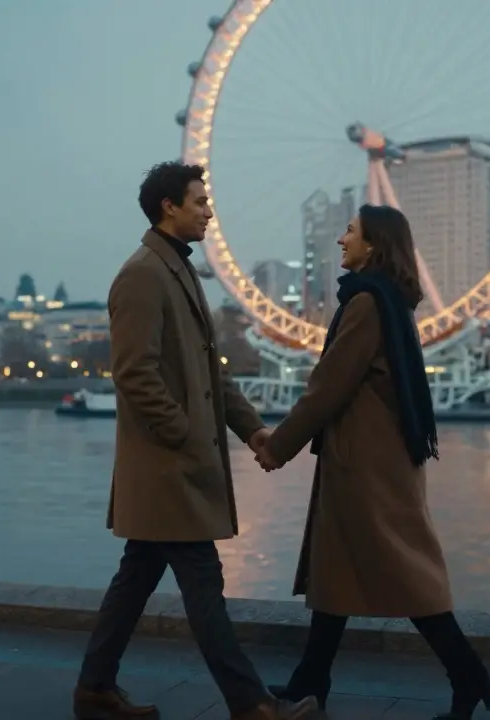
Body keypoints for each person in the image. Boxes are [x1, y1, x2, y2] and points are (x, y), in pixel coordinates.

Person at [72, 162, 318, 720]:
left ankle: (94, 689)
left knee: (136, 579)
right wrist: (185, 437)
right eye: (200, 202)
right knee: (204, 585)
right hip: (168, 469)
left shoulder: (176, 273)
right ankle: (251, 704)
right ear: (169, 207)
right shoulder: (141, 276)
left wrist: (251, 428)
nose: (209, 211)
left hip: (173, 467)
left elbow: (211, 374)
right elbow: (134, 375)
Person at [254, 205, 490, 719]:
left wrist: (277, 447)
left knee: (403, 572)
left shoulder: (365, 302)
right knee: (336, 572)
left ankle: (468, 673)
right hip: (377, 458)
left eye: (350, 232)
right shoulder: (390, 299)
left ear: (374, 244)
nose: (341, 240)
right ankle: (310, 683)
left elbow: (327, 388)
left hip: (365, 466)